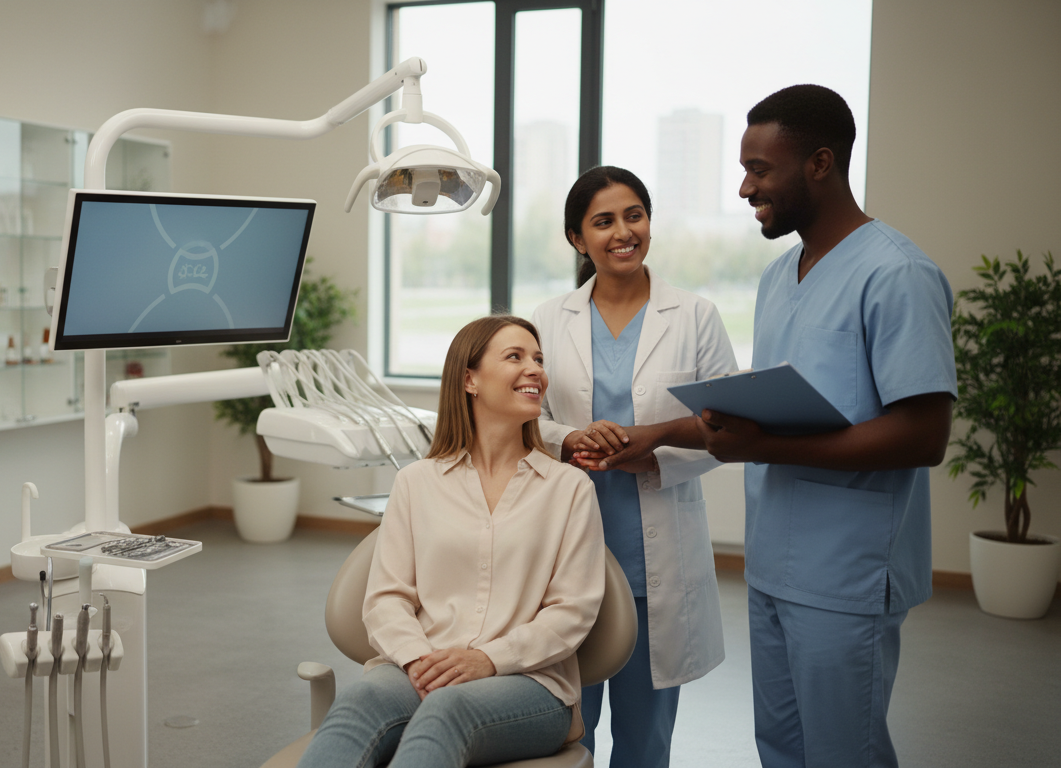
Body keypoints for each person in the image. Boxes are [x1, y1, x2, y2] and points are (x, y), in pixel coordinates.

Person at [700, 85, 956, 767]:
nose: (745, 186)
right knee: (781, 748)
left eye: (760, 169)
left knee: (845, 754)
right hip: (774, 559)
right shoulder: (780, 276)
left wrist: (765, 444)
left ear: (820, 164)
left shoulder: (897, 273)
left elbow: (924, 435)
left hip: (847, 570)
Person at [295, 315, 606, 768]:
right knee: (360, 702)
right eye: (515, 357)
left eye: (538, 359)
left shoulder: (570, 488)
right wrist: (422, 662)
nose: (535, 369)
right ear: (470, 379)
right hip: (418, 666)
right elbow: (386, 599)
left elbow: (573, 611)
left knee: (446, 710)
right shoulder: (416, 483)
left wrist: (486, 659)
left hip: (530, 686)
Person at [530, 166, 737, 768]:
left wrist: (655, 454)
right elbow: (525, 416)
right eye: (603, 222)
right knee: (568, 727)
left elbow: (728, 428)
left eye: (634, 216)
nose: (622, 232)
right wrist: (567, 441)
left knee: (646, 741)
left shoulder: (694, 315)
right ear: (577, 239)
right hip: (569, 556)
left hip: (656, 563)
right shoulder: (549, 318)